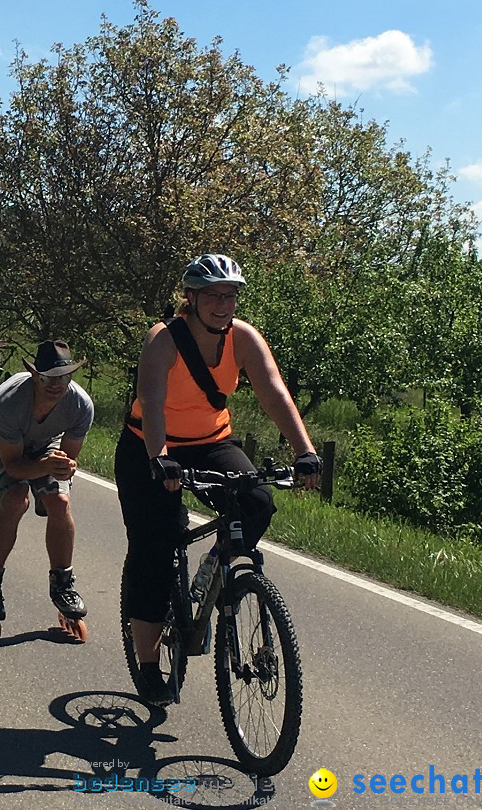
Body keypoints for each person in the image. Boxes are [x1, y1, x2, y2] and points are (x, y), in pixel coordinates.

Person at [114, 254, 321, 705]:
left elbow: (273, 390)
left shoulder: (243, 338)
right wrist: (159, 458)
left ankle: (213, 572)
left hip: (210, 441)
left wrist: (304, 450)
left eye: (230, 295)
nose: (223, 303)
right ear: (191, 297)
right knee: (158, 544)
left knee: (258, 500)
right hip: (149, 445)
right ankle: (149, 664)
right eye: (213, 295)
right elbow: (150, 401)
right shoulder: (163, 339)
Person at [0, 340, 95, 641]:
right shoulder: (7, 403)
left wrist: (64, 468)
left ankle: (63, 583)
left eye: (63, 377)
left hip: (45, 440)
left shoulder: (80, 405)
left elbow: (68, 456)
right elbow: (13, 465)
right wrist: (45, 467)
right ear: (35, 375)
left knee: (59, 501)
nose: (56, 384)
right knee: (15, 500)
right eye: (48, 377)